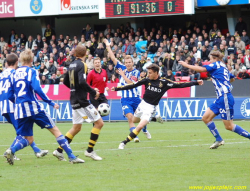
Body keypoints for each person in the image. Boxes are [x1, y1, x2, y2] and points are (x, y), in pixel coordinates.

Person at [4, 49, 84, 165]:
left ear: (20, 60)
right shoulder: (32, 72)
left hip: (20, 109)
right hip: (33, 107)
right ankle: (71, 156)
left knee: (28, 138)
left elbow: (10, 95)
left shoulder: (13, 74)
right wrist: (50, 102)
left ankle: (12, 150)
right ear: (32, 60)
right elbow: (37, 89)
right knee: (55, 130)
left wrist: (18, 103)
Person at [111, 64, 203, 149]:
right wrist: (116, 88)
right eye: (148, 72)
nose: (148, 74)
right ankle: (155, 119)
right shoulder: (146, 80)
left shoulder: (164, 82)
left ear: (156, 73)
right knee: (134, 120)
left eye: (150, 73)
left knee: (139, 126)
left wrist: (195, 82)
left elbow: (180, 84)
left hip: (151, 108)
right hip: (142, 104)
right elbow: (132, 85)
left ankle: (123, 142)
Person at [179, 51, 250, 149]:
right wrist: (221, 80)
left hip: (225, 97)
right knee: (206, 118)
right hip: (220, 98)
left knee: (229, 126)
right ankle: (219, 139)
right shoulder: (223, 66)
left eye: (210, 59)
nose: (209, 61)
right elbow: (232, 78)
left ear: (215, 59)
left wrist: (187, 65)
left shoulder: (216, 64)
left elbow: (201, 69)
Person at [53, 45, 103, 161]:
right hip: (81, 100)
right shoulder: (83, 65)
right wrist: (92, 91)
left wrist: (73, 88)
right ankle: (89, 151)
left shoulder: (71, 65)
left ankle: (59, 150)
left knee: (76, 128)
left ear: (75, 54)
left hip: (73, 98)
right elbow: (81, 81)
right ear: (85, 53)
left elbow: (65, 81)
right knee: (99, 123)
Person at [1, 53, 48, 160]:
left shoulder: (2, 74)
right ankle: (10, 151)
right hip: (14, 105)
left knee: (23, 131)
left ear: (6, 63)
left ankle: (37, 150)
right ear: (17, 62)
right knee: (22, 133)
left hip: (3, 106)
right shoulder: (15, 73)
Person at [104, 39, 151, 143]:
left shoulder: (136, 72)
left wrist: (123, 75)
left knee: (143, 118)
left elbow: (130, 83)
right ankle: (135, 136)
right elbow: (113, 57)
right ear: (124, 63)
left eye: (129, 62)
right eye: (126, 62)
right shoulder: (121, 67)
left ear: (132, 63)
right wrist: (108, 46)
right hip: (125, 99)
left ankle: (144, 129)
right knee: (130, 117)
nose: (128, 64)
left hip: (136, 99)